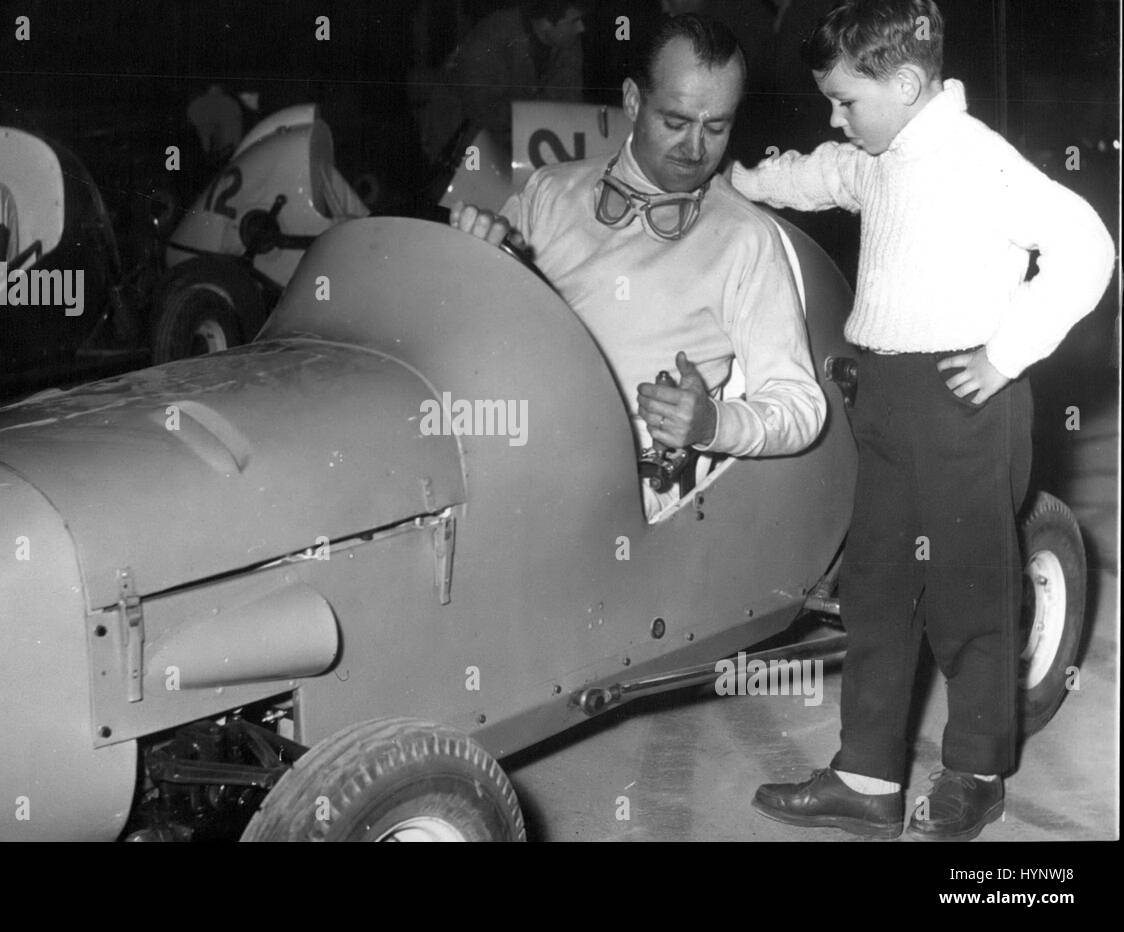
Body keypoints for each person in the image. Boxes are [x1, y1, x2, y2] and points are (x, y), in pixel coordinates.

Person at [730, 0, 1115, 840]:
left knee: (969, 594)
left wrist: (1006, 354)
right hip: (888, 402)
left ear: (906, 82)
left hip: (963, 404)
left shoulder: (980, 162)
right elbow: (823, 172)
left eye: (846, 101)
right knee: (875, 588)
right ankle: (867, 778)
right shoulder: (882, 154)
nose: (836, 117)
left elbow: (1088, 246)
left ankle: (976, 771)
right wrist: (743, 184)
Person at [451, 14, 826, 521]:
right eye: (675, 122)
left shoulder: (745, 239)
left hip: (616, 496)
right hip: (498, 451)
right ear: (632, 101)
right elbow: (471, 344)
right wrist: (469, 268)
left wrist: (713, 423)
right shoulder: (548, 193)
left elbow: (803, 406)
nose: (695, 150)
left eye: (717, 127)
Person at [449, 1, 589, 154]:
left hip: (520, 140)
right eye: (574, 21)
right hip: (462, 142)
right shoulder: (492, 36)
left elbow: (571, 104)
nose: (581, 28)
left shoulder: (567, 42)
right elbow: (480, 110)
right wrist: (535, 114)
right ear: (545, 23)